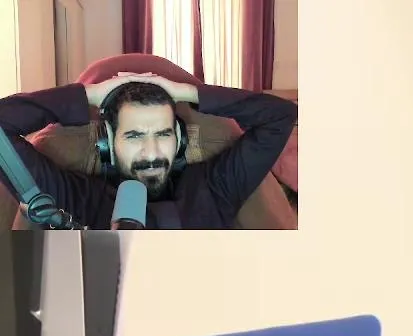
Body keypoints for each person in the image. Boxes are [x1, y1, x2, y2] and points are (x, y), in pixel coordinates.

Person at [0, 72, 297, 229]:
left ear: (179, 138)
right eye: (134, 136)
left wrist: (186, 92)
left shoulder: (217, 186)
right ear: (108, 143)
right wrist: (90, 95)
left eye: (163, 134)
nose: (152, 152)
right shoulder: (74, 198)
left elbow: (280, 115)